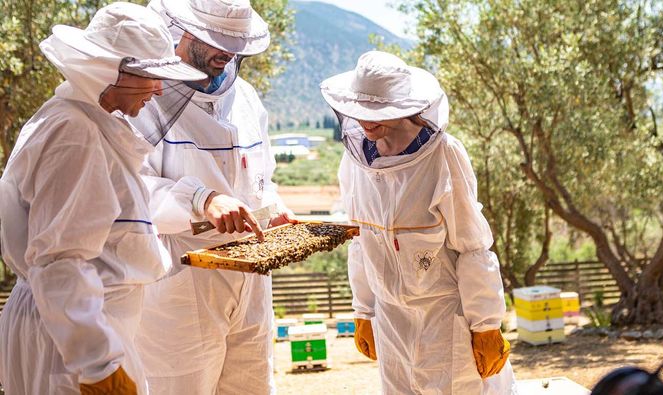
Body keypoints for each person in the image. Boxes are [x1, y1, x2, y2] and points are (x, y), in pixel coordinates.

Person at [0, 3, 206, 394]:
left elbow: (116, 214)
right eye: (151, 76)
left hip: (75, 332)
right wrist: (98, 364)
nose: (160, 89)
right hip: (71, 346)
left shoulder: (80, 123)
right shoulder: (74, 132)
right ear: (111, 69)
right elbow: (60, 258)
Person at [321, 50, 517, 394]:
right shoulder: (355, 161)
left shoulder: (443, 154)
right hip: (390, 321)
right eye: (359, 110)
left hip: (446, 322)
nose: (365, 121)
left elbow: (472, 245)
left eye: (376, 111)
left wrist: (486, 324)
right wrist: (364, 310)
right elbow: (361, 239)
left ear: (402, 107)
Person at [133, 1, 292, 393]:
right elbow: (130, 192)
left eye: (234, 43)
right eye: (218, 41)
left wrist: (274, 208)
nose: (229, 53)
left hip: (252, 277)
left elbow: (261, 177)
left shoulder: (247, 98)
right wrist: (202, 200)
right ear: (183, 32)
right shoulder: (144, 99)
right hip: (183, 280)